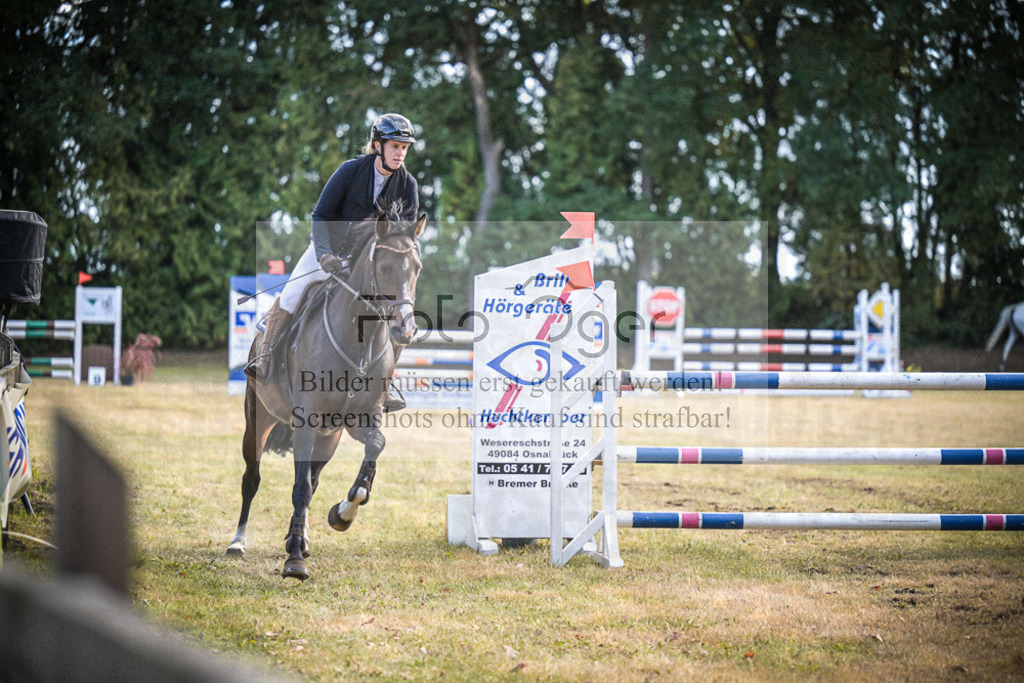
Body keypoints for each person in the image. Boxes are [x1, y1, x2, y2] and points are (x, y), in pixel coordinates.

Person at [246, 113, 420, 413]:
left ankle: (386, 383)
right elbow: (320, 215)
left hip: (368, 260)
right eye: (395, 146)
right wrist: (324, 254)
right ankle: (266, 358)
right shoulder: (350, 170)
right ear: (377, 145)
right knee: (292, 292)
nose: (400, 153)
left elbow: (404, 233)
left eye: (404, 148)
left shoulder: (408, 184)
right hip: (326, 249)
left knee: (399, 309)